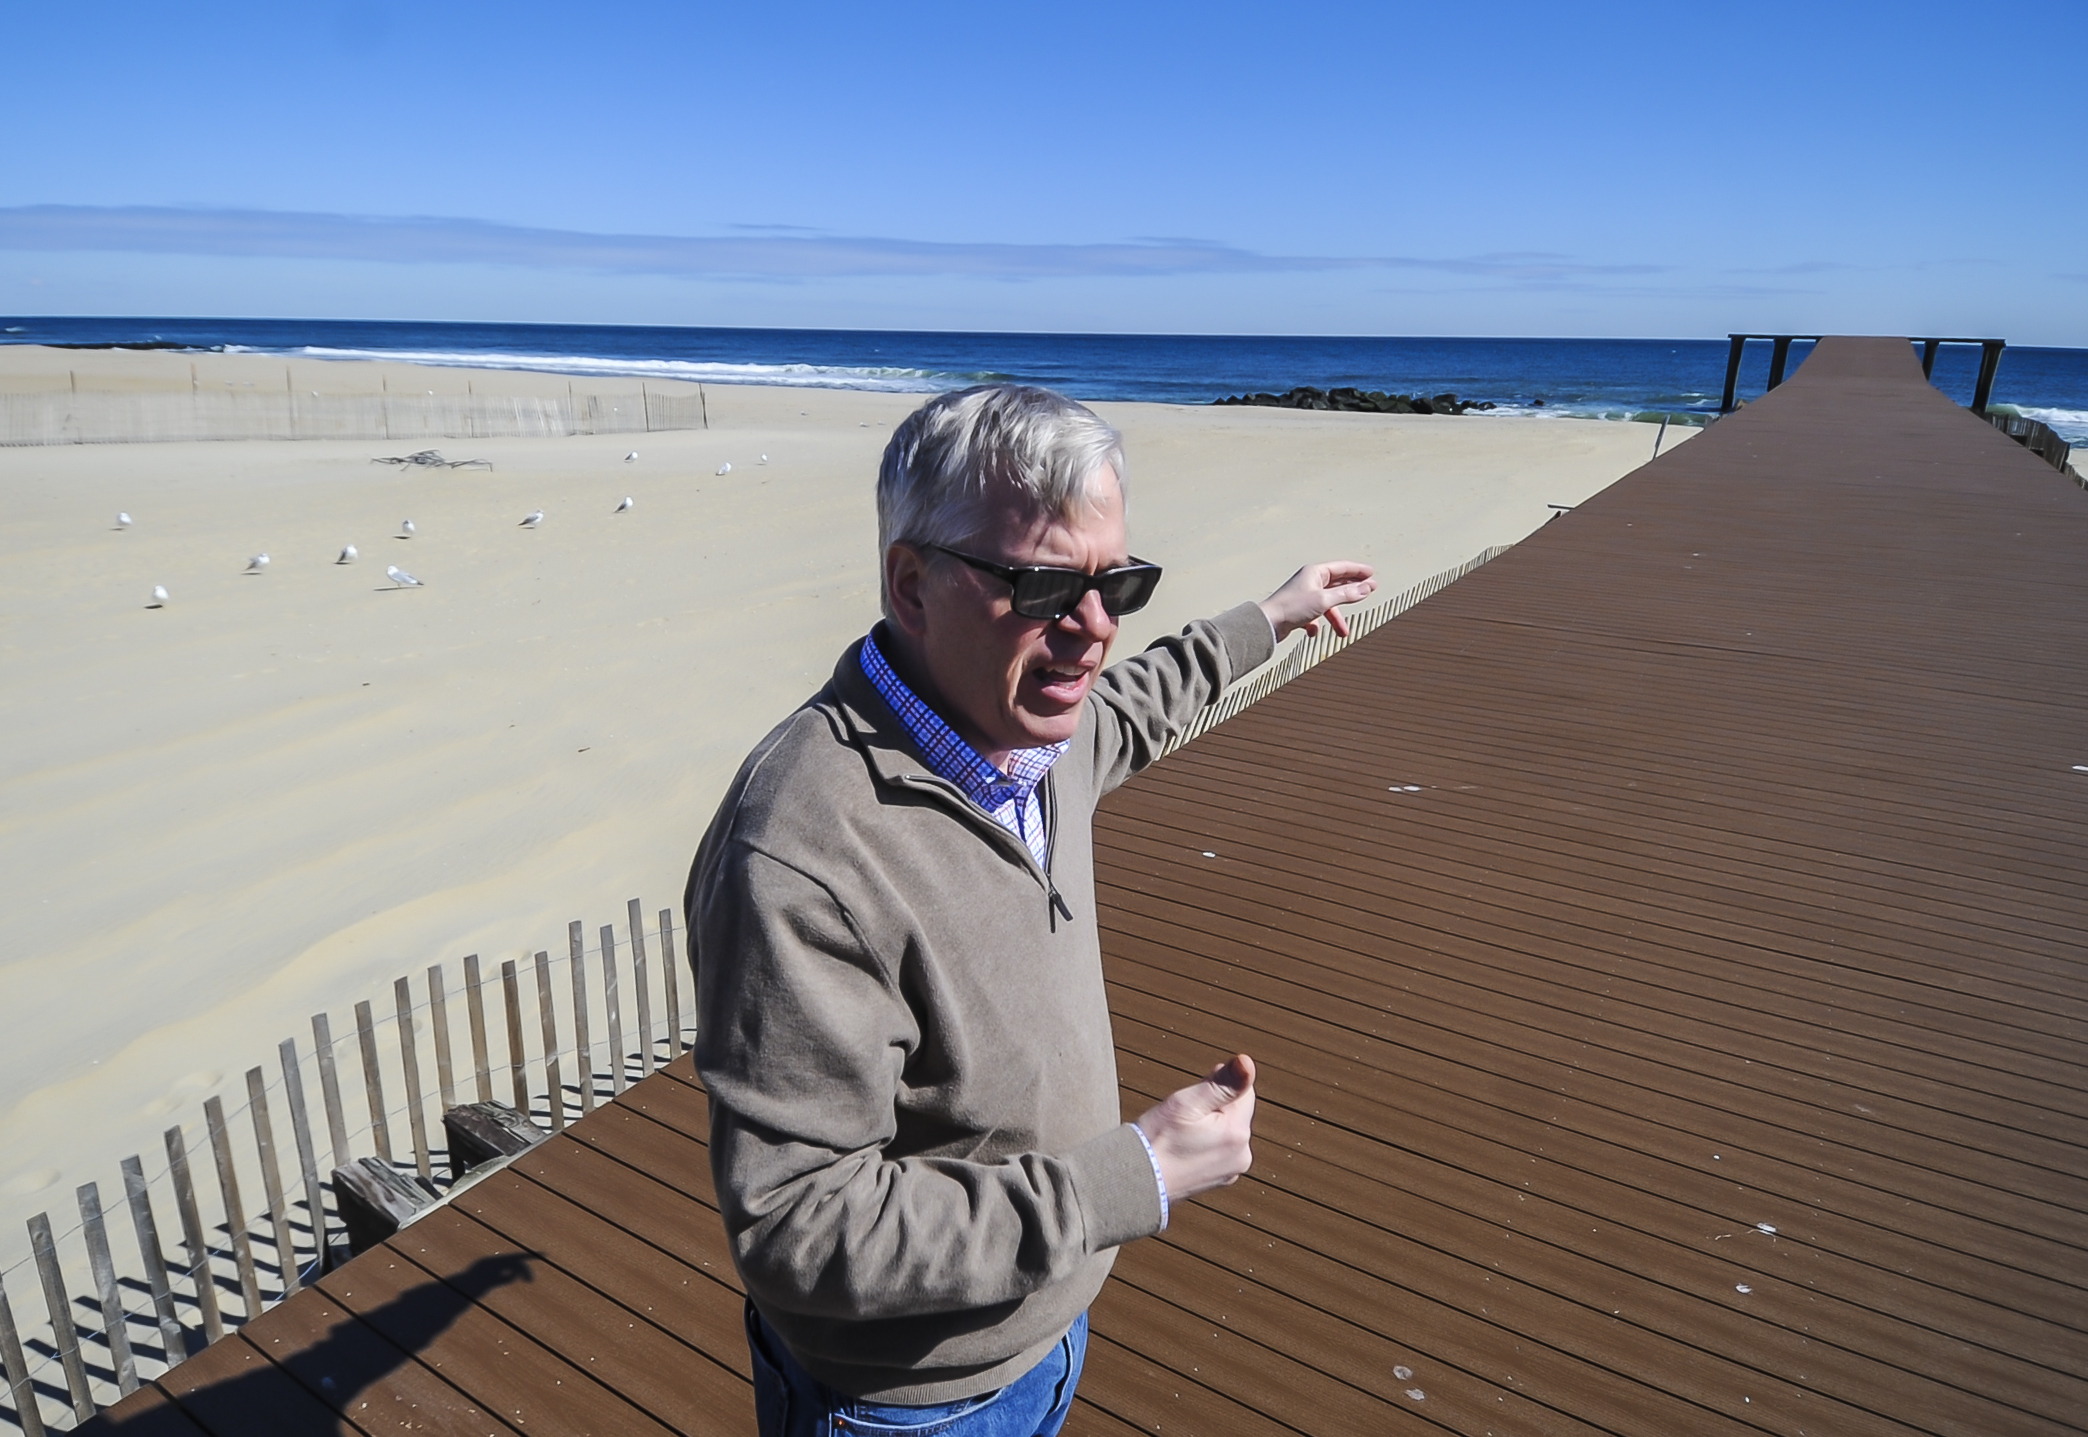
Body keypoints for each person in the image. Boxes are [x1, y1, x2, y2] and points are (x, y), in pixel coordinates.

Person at [685, 384, 1375, 1436]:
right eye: (1046, 586)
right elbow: (797, 1225)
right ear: (911, 584)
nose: (1093, 632)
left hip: (1048, 1329)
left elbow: (1139, 706)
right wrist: (1128, 1175)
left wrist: (1268, 618)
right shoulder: (800, 854)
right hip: (909, 1403)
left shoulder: (1031, 731)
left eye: (1117, 584)